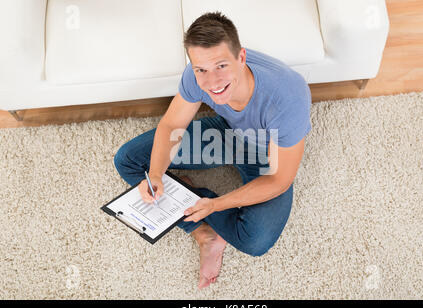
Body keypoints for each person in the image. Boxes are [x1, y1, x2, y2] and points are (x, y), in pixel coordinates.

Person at [114, 11, 312, 289]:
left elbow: (280, 180)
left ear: (241, 57)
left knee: (255, 240)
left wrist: (216, 205)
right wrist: (157, 174)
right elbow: (171, 123)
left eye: (221, 66)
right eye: (201, 70)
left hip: (268, 152)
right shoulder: (197, 74)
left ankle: (194, 203)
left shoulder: (287, 96)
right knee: (129, 161)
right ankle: (201, 229)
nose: (212, 82)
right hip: (224, 133)